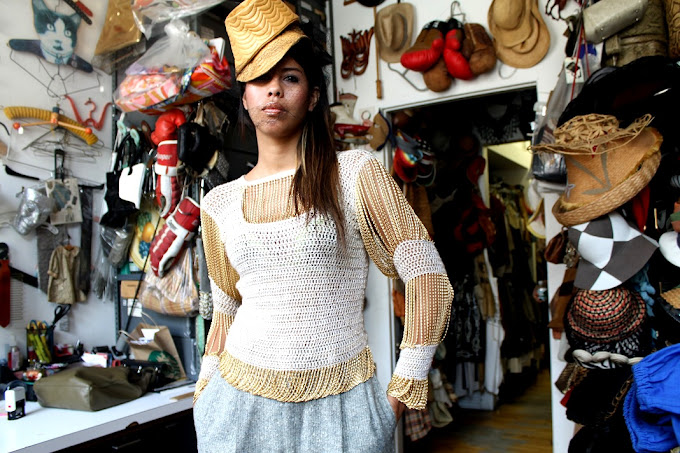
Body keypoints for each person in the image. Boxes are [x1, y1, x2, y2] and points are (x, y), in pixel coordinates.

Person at [193, 0, 454, 451]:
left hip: (341, 405)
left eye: (290, 78)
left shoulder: (354, 173)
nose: (273, 91)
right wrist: (204, 394)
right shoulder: (218, 203)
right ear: (245, 96)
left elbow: (428, 277)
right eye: (259, 79)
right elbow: (226, 311)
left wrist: (399, 391)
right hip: (235, 408)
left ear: (313, 96)